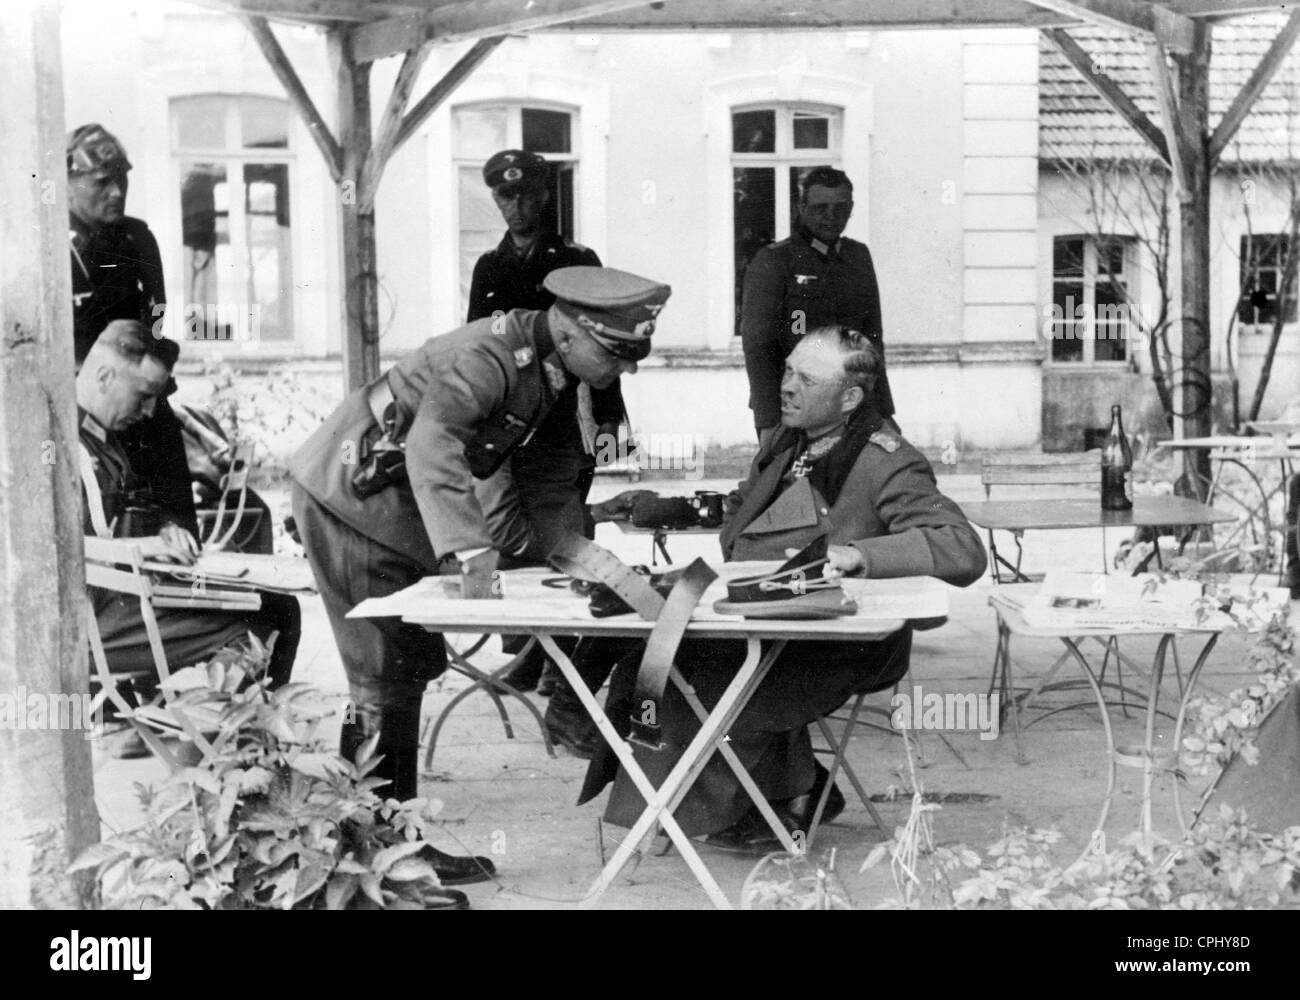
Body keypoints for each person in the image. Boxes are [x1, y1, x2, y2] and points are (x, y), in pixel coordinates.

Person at [289, 265, 671, 892]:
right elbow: (432, 443)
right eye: (618, 353)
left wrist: (579, 557)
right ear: (572, 331)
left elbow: (548, 486)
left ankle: (389, 841)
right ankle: (373, 857)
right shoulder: (490, 353)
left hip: (394, 510)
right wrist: (470, 553)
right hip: (350, 500)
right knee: (383, 672)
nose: (625, 369)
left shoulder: (554, 372)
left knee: (409, 667)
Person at [579, 327, 986, 848]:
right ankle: (782, 790)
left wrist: (863, 555)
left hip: (838, 641)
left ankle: (785, 794)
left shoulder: (887, 461)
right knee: (651, 661)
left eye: (806, 378)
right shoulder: (787, 442)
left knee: (695, 679)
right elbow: (746, 512)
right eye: (788, 370)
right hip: (762, 621)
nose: (787, 386)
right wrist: (657, 507)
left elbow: (961, 548)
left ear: (850, 398)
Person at [78, 322, 301, 754]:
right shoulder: (52, 438)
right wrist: (144, 547)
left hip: (128, 592)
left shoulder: (103, 432)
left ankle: (237, 741)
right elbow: (56, 548)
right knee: (253, 629)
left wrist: (165, 528)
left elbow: (127, 506)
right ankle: (213, 751)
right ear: (105, 377)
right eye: (143, 396)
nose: (148, 412)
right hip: (93, 615)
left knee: (279, 608)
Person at [466, 149, 625, 701]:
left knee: (564, 533)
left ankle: (565, 659)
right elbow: (478, 345)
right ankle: (528, 654)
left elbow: (606, 346)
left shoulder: (578, 261)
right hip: (507, 422)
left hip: (563, 421)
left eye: (526, 194)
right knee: (508, 538)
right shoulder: (490, 268)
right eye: (505, 196)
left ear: (545, 195)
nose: (515, 206)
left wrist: (609, 427)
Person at [67, 124, 197, 539]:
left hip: (138, 386)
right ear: (67, 183)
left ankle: (183, 558)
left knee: (166, 458)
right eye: (102, 182)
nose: (116, 192)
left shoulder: (137, 239)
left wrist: (148, 372)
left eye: (122, 180)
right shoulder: (47, 244)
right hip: (86, 398)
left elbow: (157, 317)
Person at [740, 166, 896, 447]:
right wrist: (768, 421)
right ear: (802, 206)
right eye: (820, 207)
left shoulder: (858, 257)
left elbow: (873, 340)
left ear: (851, 208)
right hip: (797, 406)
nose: (831, 216)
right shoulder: (775, 260)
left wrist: (884, 410)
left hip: (853, 403)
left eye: (841, 208)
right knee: (796, 486)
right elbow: (759, 348)